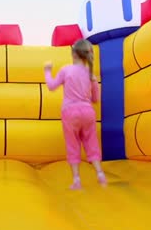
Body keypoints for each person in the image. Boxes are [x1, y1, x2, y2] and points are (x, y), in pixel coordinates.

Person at [44, 39, 107, 189]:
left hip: (70, 112)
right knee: (91, 142)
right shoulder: (91, 75)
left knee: (73, 145)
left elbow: (52, 86)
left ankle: (77, 180)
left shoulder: (66, 70)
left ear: (73, 54)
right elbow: (96, 99)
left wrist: (47, 71)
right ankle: (99, 173)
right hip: (88, 112)